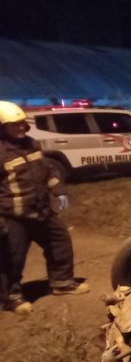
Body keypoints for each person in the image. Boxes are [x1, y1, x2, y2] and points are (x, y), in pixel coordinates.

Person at [0, 101, 89, 314]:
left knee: (60, 241)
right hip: (14, 216)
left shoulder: (32, 144)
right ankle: (12, 297)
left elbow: (47, 171)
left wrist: (59, 191)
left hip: (41, 211)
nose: (21, 127)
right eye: (14, 125)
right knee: (12, 257)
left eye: (22, 123)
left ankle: (62, 282)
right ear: (3, 127)